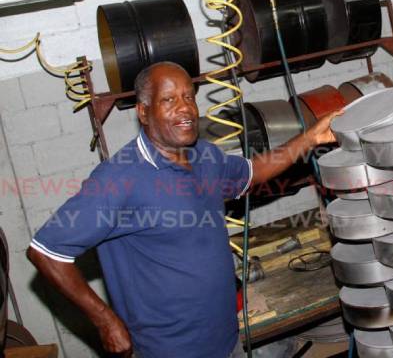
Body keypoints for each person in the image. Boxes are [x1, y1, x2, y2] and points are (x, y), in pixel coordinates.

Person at [26, 61, 340, 357]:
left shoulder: (203, 155)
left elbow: (253, 172)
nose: (185, 108)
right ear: (144, 112)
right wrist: (105, 320)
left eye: (189, 96)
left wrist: (310, 138)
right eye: (169, 99)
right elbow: (45, 250)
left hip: (226, 338)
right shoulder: (120, 178)